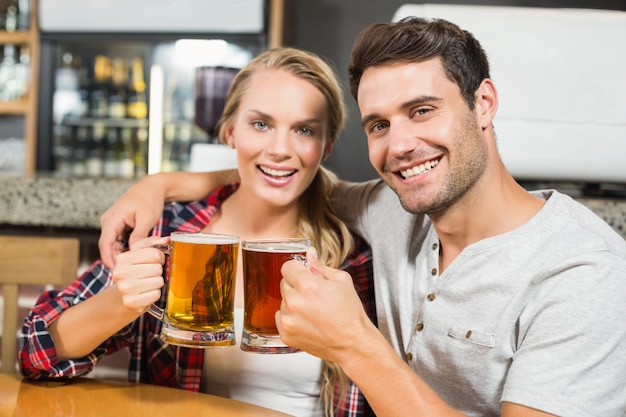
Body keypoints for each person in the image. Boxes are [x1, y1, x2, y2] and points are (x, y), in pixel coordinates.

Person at [97, 18, 626, 417]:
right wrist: (160, 185)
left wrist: (354, 343)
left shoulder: (584, 273)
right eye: (378, 124)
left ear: (483, 102)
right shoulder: (394, 208)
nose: (400, 145)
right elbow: (285, 173)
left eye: (422, 110)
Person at [19, 47, 377, 417]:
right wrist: (120, 303)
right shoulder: (174, 231)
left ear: (326, 146)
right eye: (261, 124)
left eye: (304, 130)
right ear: (229, 132)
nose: (280, 149)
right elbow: (35, 352)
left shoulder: (350, 256)